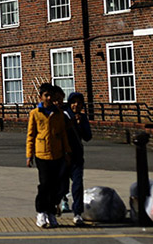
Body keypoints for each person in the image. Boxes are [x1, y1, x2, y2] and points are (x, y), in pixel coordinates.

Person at [27, 82, 71, 228]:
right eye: (46, 95)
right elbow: (31, 135)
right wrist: (29, 155)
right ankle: (41, 212)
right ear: (40, 97)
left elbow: (63, 134)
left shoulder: (58, 113)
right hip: (41, 154)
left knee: (55, 185)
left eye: (51, 95)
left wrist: (67, 151)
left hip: (57, 153)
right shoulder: (35, 113)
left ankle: (51, 212)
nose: (49, 98)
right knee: (44, 184)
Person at [61, 91, 93, 225]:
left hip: (77, 156)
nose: (76, 105)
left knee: (78, 184)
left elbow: (87, 137)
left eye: (79, 103)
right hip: (63, 155)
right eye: (74, 102)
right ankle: (61, 201)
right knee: (62, 184)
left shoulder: (83, 118)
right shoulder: (63, 116)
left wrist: (80, 125)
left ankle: (77, 213)